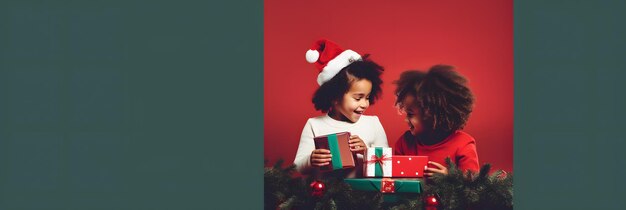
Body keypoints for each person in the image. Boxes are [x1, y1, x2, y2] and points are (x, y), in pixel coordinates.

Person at [293, 39, 388, 177]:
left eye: (367, 97)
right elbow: (297, 166)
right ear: (334, 96)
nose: (364, 104)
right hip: (325, 196)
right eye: (358, 98)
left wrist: (367, 152)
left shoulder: (373, 124)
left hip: (365, 196)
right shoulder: (314, 125)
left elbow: (386, 168)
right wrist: (311, 159)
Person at [393, 65, 479, 176]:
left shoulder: (463, 144)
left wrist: (449, 179)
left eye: (410, 114)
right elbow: (396, 179)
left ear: (432, 115)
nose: (406, 119)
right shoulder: (404, 143)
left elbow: (473, 187)